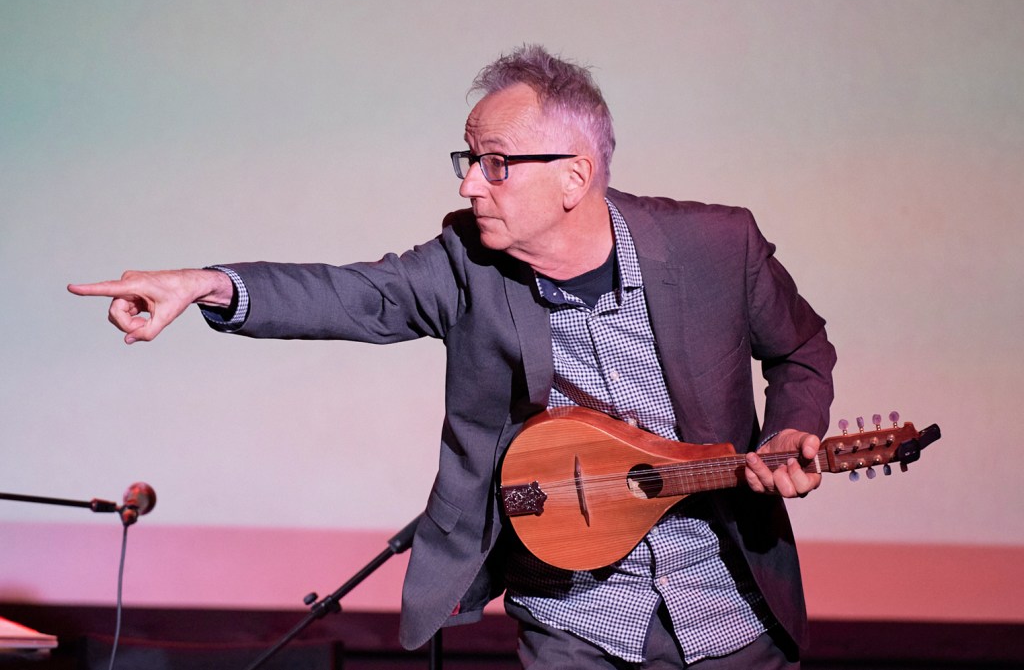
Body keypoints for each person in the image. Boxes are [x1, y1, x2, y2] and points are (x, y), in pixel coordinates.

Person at [69, 45, 836, 669]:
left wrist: (790, 431)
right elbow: (352, 295)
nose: (470, 183)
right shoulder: (466, 263)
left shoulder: (716, 247)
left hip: (727, 604)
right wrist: (207, 284)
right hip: (574, 614)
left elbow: (801, 349)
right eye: (467, 159)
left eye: (495, 162)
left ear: (574, 177)